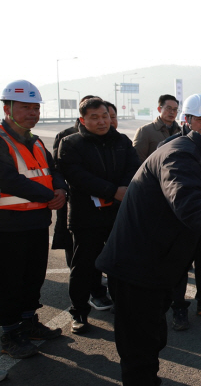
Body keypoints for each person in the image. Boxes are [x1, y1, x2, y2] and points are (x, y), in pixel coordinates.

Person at [96, 106, 201, 386]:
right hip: (135, 270)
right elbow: (190, 206)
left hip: (154, 270)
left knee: (152, 341)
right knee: (139, 352)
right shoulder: (180, 154)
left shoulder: (200, 158)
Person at [57, 97, 140, 333]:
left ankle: (121, 307)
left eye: (105, 116)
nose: (102, 121)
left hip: (118, 215)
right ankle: (79, 313)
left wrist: (123, 190)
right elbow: (76, 176)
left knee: (119, 264)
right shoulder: (70, 143)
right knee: (84, 267)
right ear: (83, 120)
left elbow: (133, 169)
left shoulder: (122, 141)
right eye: (95, 117)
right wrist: (114, 191)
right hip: (86, 218)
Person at [0, 80, 66, 360]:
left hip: (37, 223)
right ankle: (8, 333)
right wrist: (48, 193)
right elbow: (7, 179)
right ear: (7, 108)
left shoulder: (35, 140)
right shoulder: (2, 140)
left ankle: (28, 322)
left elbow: (54, 169)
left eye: (36, 108)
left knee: (33, 277)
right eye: (25, 107)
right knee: (9, 281)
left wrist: (61, 188)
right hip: (8, 226)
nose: (33, 113)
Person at [156, 93, 201, 331]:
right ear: (186, 118)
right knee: (180, 264)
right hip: (183, 217)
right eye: (200, 119)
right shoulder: (171, 145)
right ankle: (178, 308)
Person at [51, 94, 100, 268]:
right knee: (75, 246)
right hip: (76, 198)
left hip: (103, 202)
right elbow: (59, 168)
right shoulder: (66, 137)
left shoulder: (114, 138)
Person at [132, 94, 181, 162]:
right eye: (168, 108)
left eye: (175, 109)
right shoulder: (145, 131)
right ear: (159, 109)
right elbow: (138, 159)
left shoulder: (181, 132)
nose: (172, 112)